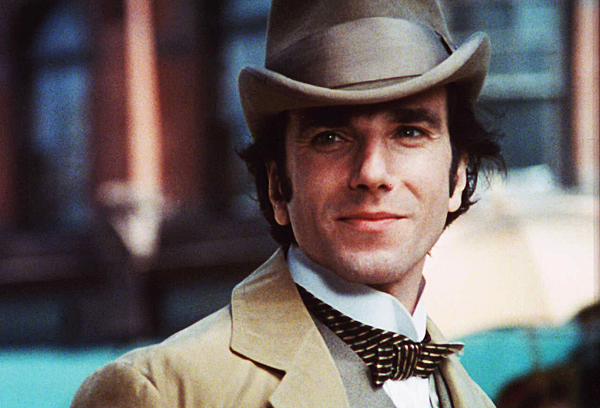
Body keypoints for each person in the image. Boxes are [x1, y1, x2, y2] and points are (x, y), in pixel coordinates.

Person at [71, 0, 504, 407]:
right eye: (329, 137)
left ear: (457, 176)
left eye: (409, 132)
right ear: (277, 185)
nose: (372, 173)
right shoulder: (161, 392)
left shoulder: (474, 399)